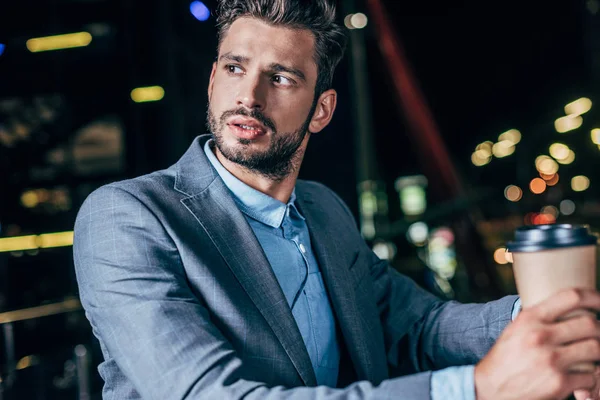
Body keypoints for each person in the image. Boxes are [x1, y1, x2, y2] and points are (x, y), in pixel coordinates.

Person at [73, 1, 600, 399]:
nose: (248, 97)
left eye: (280, 77)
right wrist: (477, 387)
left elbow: (418, 326)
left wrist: (555, 317)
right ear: (213, 79)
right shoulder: (128, 217)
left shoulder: (323, 211)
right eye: (234, 68)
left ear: (322, 110)